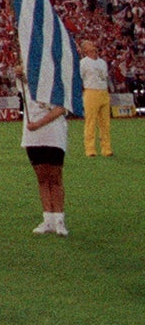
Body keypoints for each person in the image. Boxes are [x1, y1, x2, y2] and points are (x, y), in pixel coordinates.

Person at [23, 94, 69, 235]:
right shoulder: (28, 81)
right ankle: (47, 219)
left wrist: (38, 124)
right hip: (33, 137)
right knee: (42, 179)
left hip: (53, 135)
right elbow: (20, 75)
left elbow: (61, 108)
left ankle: (59, 220)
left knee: (55, 178)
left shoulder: (58, 83)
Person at [79, 41, 112, 157]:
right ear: (85, 50)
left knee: (105, 123)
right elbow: (80, 78)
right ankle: (90, 148)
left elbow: (105, 77)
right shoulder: (83, 63)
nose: (93, 46)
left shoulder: (102, 62)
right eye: (90, 45)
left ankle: (106, 148)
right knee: (91, 122)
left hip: (103, 91)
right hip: (91, 92)